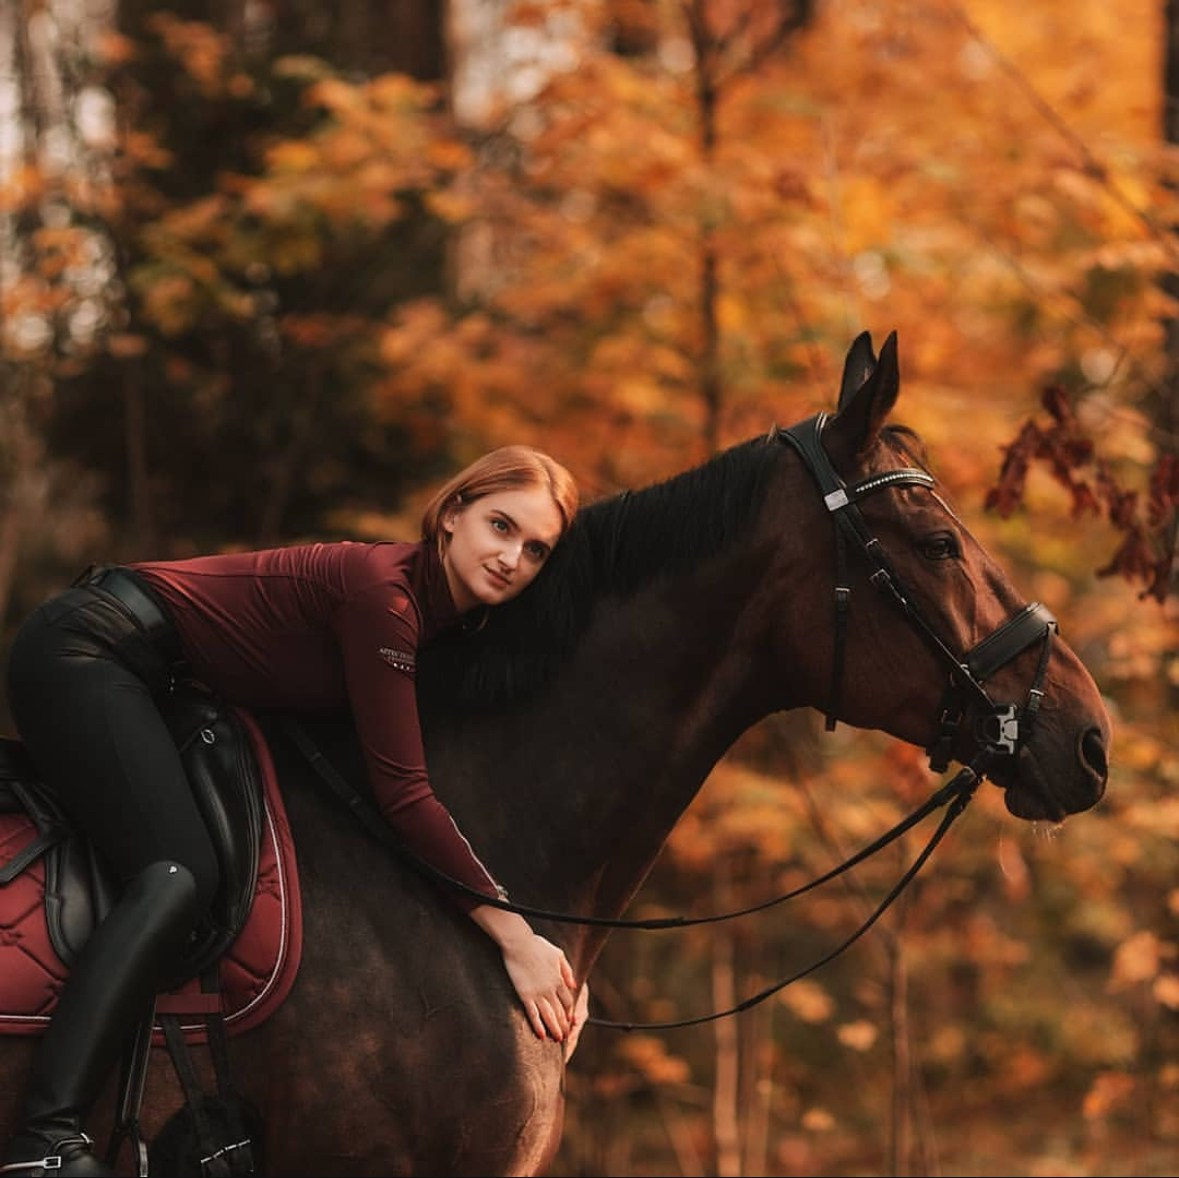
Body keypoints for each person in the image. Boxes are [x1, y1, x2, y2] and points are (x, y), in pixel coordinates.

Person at [0, 445, 583, 1177]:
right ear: (453, 513)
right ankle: (44, 1139)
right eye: (500, 526)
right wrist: (515, 938)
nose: (510, 558)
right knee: (176, 873)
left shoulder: (441, 623)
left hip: (162, 684)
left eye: (535, 550)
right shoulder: (386, 598)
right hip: (88, 649)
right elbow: (403, 793)